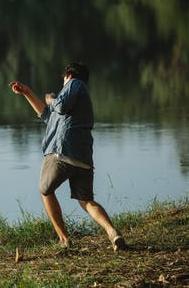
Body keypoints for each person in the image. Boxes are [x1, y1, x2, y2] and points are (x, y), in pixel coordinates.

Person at [9, 62, 126, 251]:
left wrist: (51, 99)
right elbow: (48, 116)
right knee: (86, 200)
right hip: (83, 158)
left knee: (45, 191)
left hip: (62, 152)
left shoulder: (75, 84)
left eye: (63, 79)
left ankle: (64, 240)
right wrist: (27, 93)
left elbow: (59, 106)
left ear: (68, 76)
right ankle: (113, 233)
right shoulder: (77, 100)